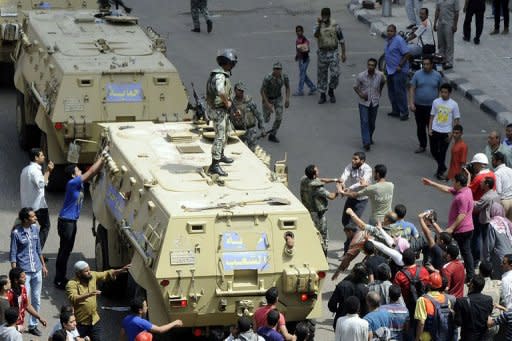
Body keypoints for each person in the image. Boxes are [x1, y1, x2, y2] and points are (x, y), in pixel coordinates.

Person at [54, 156, 105, 289]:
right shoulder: (72, 183)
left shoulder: (79, 183)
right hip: (67, 222)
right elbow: (92, 171)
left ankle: (60, 276)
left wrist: (99, 160)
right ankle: (59, 279)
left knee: (66, 249)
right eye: (77, 170)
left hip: (71, 221)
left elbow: (94, 172)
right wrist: (104, 156)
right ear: (73, 175)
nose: (80, 171)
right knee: (64, 251)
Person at [422, 172, 475, 280]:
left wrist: (451, 228)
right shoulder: (466, 190)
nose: (452, 182)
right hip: (467, 228)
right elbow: (447, 189)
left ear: (459, 182)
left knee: (447, 245)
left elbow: (462, 214)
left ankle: (468, 275)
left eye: (454, 181)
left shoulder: (462, 196)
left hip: (461, 230)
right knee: (465, 251)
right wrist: (431, 183)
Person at [66, 260, 130, 341]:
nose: (89, 272)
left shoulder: (92, 275)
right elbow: (73, 298)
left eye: (89, 270)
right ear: (79, 273)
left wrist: (120, 270)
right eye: (86, 271)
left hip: (94, 320)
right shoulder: (71, 284)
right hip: (80, 323)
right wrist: (89, 294)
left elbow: (106, 274)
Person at [9, 207, 47, 336]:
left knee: (36, 299)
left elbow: (38, 249)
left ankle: (33, 325)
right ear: (25, 219)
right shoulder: (16, 233)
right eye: (33, 216)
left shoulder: (35, 229)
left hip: (36, 269)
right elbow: (13, 254)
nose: (35, 218)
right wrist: (14, 273)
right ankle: (18, 324)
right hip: (24, 273)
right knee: (23, 300)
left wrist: (43, 266)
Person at [205, 49, 238, 176]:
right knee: (220, 136)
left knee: (226, 132)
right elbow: (221, 91)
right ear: (228, 63)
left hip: (220, 110)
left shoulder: (218, 74)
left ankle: (221, 154)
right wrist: (227, 103)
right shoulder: (220, 76)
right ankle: (215, 164)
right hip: (219, 110)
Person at [299, 165, 339, 254]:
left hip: (308, 210)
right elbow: (331, 196)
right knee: (323, 234)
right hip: (317, 213)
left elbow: (320, 180)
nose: (318, 171)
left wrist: (334, 180)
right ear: (314, 175)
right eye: (317, 170)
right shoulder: (317, 188)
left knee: (311, 229)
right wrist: (339, 190)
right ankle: (323, 252)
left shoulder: (304, 179)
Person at [19, 148, 53, 251]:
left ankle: (30, 250)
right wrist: (48, 171)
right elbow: (41, 184)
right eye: (42, 155)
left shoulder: (25, 169)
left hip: (27, 205)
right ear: (36, 157)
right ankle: (37, 251)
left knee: (30, 229)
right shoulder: (34, 171)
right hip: (38, 206)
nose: (44, 157)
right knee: (45, 226)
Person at [409, 56, 442, 154]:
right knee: (420, 127)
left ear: (432, 65)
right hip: (419, 106)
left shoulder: (437, 75)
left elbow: (441, 89)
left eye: (427, 64)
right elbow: (412, 89)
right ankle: (422, 145)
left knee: (432, 128)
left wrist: (440, 103)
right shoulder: (417, 75)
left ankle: (434, 148)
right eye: (424, 64)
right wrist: (411, 103)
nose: (425, 66)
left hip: (432, 107)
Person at [314, 7, 346, 104]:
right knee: (322, 75)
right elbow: (316, 35)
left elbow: (342, 40)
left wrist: (343, 53)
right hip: (322, 52)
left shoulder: (335, 25)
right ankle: (323, 95)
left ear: (329, 15)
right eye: (323, 15)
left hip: (333, 52)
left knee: (335, 73)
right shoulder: (318, 25)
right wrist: (319, 24)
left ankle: (331, 90)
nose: (325, 17)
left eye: (326, 15)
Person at [429, 83, 461, 180]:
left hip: (446, 132)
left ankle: (440, 172)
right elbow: (432, 116)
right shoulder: (436, 102)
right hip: (435, 130)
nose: (443, 94)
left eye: (445, 92)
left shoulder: (454, 104)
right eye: (442, 92)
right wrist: (429, 128)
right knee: (433, 151)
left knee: (442, 152)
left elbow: (456, 120)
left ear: (449, 93)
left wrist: (452, 134)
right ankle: (442, 166)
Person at [353, 58, 386, 150]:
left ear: (375, 67)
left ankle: (369, 137)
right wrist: (361, 94)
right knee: (364, 122)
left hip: (374, 102)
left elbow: (383, 82)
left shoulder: (380, 75)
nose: (370, 67)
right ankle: (366, 142)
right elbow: (355, 87)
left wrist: (380, 91)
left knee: (372, 123)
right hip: (363, 102)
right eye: (369, 65)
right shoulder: (361, 76)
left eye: (372, 65)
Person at [414, 272, 455, 341]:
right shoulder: (446, 299)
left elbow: (421, 323)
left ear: (428, 285)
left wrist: (417, 338)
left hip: (427, 336)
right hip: (443, 335)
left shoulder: (422, 300)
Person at [328, 263, 369, 329]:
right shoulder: (366, 290)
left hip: (340, 321)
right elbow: (366, 310)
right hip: (357, 324)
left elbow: (332, 305)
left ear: (353, 272)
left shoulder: (342, 285)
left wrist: (337, 310)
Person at [6, 267, 47, 333]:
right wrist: (16, 327)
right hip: (10, 327)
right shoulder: (8, 295)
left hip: (19, 324)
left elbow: (27, 305)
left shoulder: (23, 288)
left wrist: (39, 317)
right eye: (23, 277)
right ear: (16, 280)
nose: (25, 278)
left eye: (25, 276)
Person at [339, 152, 372, 230]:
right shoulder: (351, 166)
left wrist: (349, 188)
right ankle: (349, 236)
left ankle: (351, 240)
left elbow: (362, 183)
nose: (353, 161)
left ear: (362, 161)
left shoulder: (368, 169)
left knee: (353, 223)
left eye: (355, 159)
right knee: (345, 220)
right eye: (352, 158)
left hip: (362, 199)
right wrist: (342, 182)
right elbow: (344, 175)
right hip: (351, 197)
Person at [473, 177, 502, 265]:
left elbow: (477, 206)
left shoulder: (486, 197)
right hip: (493, 220)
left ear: (487, 185)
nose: (480, 184)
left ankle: (481, 261)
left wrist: (468, 200)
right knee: (489, 242)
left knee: (482, 241)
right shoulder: (495, 194)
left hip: (486, 222)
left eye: (482, 183)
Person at [385, 24, 411, 121]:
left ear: (395, 32)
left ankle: (404, 112)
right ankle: (395, 110)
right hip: (389, 70)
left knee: (399, 92)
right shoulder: (388, 41)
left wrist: (400, 65)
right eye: (388, 31)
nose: (389, 32)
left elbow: (407, 54)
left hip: (399, 71)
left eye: (391, 31)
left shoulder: (399, 40)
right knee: (391, 92)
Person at [393, 248, 430, 315]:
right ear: (415, 259)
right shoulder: (424, 271)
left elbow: (395, 293)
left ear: (403, 261)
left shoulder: (399, 275)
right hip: (424, 305)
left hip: (407, 307)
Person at [260, 62, 290, 143]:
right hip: (268, 98)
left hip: (278, 98)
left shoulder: (284, 77)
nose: (277, 71)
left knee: (279, 118)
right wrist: (268, 104)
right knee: (266, 119)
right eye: (275, 69)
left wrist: (287, 99)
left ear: (281, 70)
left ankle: (272, 135)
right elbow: (262, 91)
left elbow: (287, 87)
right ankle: (262, 128)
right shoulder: (268, 78)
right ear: (273, 69)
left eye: (279, 69)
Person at [230, 82, 264, 152]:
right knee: (237, 150)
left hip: (250, 130)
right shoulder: (231, 102)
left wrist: (262, 128)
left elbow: (258, 114)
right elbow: (227, 115)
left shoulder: (249, 101)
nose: (241, 92)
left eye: (242, 91)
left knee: (252, 151)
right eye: (239, 90)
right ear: (235, 90)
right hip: (237, 130)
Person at [434, 0, 459, 69]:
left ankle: (449, 62)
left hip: (449, 23)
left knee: (449, 44)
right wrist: (435, 23)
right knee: (441, 43)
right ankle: (442, 59)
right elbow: (437, 10)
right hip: (440, 23)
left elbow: (456, 13)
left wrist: (455, 25)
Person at [293, 25, 316, 96]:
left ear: (302, 31)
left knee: (302, 75)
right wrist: (297, 55)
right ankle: (312, 87)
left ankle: (300, 90)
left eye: (300, 31)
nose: (298, 32)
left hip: (305, 59)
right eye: (297, 31)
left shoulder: (304, 40)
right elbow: (297, 49)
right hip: (300, 59)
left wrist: (302, 48)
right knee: (303, 75)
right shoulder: (297, 40)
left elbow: (307, 50)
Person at [492, 151, 512, 220]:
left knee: (503, 225)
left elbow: (498, 191)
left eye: (493, 160)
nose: (492, 162)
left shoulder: (497, 173)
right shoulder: (510, 170)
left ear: (499, 161)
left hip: (504, 202)